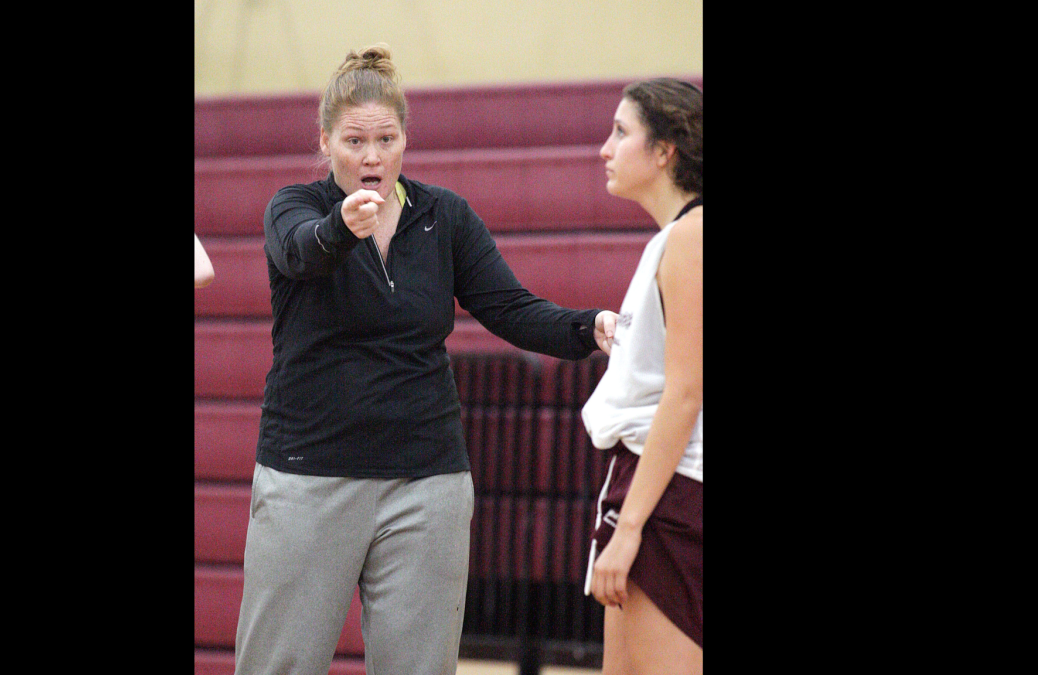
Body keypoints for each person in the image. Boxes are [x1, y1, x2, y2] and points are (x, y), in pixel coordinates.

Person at [233, 43, 617, 675]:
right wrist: (342, 227)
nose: (372, 156)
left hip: (429, 479)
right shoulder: (293, 208)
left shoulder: (445, 216)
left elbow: (511, 308)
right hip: (310, 476)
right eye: (355, 141)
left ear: (406, 140)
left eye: (386, 139)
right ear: (326, 142)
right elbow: (301, 253)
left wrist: (590, 327)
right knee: (280, 663)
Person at [580, 78, 703, 675]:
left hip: (671, 493)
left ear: (664, 151)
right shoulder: (674, 238)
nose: (606, 148)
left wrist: (629, 531)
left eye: (621, 132)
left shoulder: (692, 236)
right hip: (650, 485)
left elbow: (684, 394)